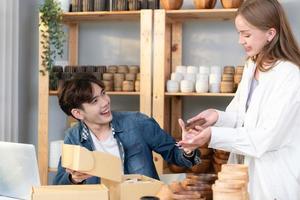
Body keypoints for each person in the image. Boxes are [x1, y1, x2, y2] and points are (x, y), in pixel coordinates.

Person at [178, 0, 300, 199]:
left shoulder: (290, 76)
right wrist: (215, 117)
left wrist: (212, 136)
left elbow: (265, 138)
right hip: (244, 178)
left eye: (247, 34)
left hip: (275, 182)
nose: (240, 41)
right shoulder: (253, 66)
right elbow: (241, 118)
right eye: (239, 33)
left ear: (270, 34)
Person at [53, 73, 201, 185]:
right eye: (95, 101)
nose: (105, 102)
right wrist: (74, 178)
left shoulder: (138, 122)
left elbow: (175, 155)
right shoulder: (73, 137)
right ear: (78, 113)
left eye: (103, 93)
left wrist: (188, 149)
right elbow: (59, 183)